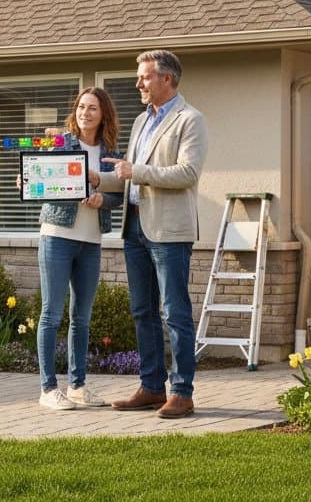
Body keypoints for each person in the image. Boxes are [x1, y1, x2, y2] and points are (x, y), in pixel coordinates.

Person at [95, 49, 207, 418]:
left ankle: (183, 392)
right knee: (143, 311)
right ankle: (151, 386)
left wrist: (135, 172)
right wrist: (97, 178)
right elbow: (127, 176)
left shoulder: (190, 120)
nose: (138, 83)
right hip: (135, 228)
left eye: (144, 77)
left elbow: (187, 174)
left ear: (166, 79)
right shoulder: (143, 120)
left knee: (175, 312)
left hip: (169, 231)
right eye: (139, 77)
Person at [32, 87, 124, 410]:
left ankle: (77, 386)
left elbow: (119, 194)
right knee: (51, 314)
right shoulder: (62, 142)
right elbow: (37, 174)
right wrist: (25, 179)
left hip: (91, 241)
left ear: (103, 115)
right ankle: (47, 389)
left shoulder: (110, 151)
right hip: (56, 235)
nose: (85, 113)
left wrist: (103, 199)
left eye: (93, 108)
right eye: (81, 107)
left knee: (81, 318)